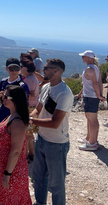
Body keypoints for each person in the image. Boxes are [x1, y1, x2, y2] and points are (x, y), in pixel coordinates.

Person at [30, 58, 73, 205]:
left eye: (46, 68)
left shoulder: (64, 93)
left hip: (57, 143)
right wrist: (29, 116)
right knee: (39, 176)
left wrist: (31, 121)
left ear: (56, 71)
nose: (43, 70)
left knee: (56, 183)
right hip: (42, 138)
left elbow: (55, 123)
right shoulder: (47, 87)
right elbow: (38, 109)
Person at [0, 85, 32, 205]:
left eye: (5, 96)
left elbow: (16, 151)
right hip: (6, 169)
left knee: (9, 199)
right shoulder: (12, 116)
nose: (3, 98)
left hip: (13, 172)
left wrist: (7, 174)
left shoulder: (17, 122)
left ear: (15, 99)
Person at [77, 50, 105, 151]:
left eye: (84, 56)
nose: (82, 58)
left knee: (92, 120)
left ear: (89, 58)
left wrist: (99, 95)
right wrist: (100, 95)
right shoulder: (95, 68)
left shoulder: (90, 69)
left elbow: (95, 83)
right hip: (90, 96)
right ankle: (90, 139)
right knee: (92, 119)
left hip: (91, 97)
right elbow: (99, 82)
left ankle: (92, 143)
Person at [0, 58, 30, 124]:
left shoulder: (22, 86)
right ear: (6, 69)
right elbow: (3, 102)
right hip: (3, 114)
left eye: (16, 68)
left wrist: (8, 97)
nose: (14, 71)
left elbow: (24, 105)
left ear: (20, 69)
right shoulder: (3, 82)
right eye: (11, 69)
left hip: (15, 117)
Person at [20, 61, 39, 161]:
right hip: (33, 106)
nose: (20, 67)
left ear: (26, 68)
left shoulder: (29, 80)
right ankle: (31, 154)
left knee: (27, 134)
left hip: (29, 107)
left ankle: (28, 155)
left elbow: (31, 94)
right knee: (29, 133)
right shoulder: (32, 78)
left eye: (21, 66)